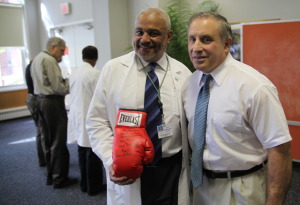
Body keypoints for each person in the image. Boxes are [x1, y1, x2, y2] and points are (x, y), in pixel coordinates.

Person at [182, 12, 292, 205]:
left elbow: (279, 149)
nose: (196, 48)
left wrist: (274, 201)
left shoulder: (254, 86)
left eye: (206, 39)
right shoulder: (190, 84)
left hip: (241, 189)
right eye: (192, 39)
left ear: (226, 44)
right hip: (200, 186)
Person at [86, 8, 191, 205]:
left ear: (168, 36)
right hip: (129, 171)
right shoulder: (113, 70)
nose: (144, 39)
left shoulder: (183, 73)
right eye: (139, 32)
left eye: (153, 33)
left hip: (171, 171)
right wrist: (111, 160)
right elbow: (96, 121)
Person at [31, 37, 78, 189]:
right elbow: (59, 87)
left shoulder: (37, 58)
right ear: (53, 47)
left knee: (48, 140)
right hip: (52, 103)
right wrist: (71, 84)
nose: (63, 54)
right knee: (58, 140)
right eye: (62, 50)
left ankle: (51, 174)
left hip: (40, 101)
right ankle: (59, 178)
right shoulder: (50, 61)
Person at [67, 46, 106, 196]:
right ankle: (93, 187)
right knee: (92, 152)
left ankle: (84, 184)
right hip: (88, 115)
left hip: (76, 115)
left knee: (82, 150)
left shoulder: (75, 72)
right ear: (96, 58)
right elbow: (101, 97)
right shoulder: (94, 73)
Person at [25, 60, 46, 167]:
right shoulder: (32, 68)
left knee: (39, 129)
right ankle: (44, 159)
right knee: (41, 130)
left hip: (30, 98)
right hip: (34, 99)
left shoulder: (29, 67)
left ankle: (43, 159)